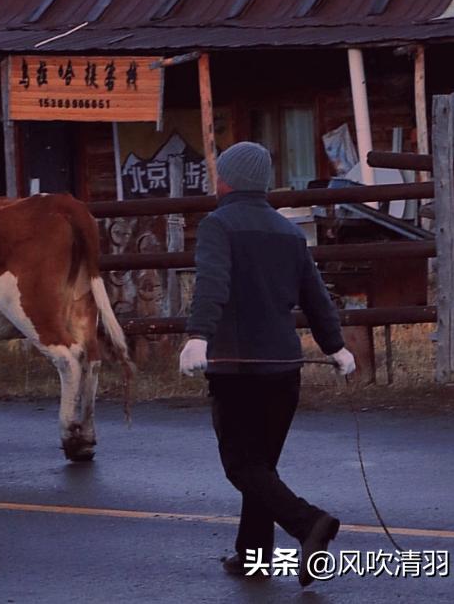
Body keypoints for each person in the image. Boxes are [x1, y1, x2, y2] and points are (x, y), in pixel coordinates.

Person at [178, 141, 355, 586]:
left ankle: (309, 522)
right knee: (260, 467)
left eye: (219, 173)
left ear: (227, 180)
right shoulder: (289, 232)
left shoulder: (218, 225)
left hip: (237, 367)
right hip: (284, 370)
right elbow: (316, 297)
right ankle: (253, 555)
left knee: (242, 466)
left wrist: (198, 336)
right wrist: (335, 348)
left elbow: (212, 283)